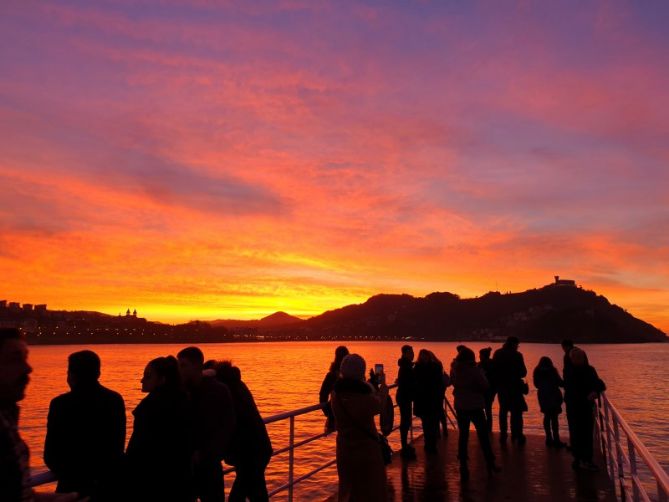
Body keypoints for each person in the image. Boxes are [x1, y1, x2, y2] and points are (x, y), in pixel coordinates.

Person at [0, 328, 82, 502]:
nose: (28, 368)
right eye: (15, 359)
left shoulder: (7, 418)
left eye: (26, 358)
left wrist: (59, 498)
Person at [44, 350, 126, 500]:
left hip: (71, 487)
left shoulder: (60, 404)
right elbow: (117, 448)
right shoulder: (114, 400)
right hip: (108, 487)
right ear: (98, 373)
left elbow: (51, 454)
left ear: (72, 375)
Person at [125, 356, 193, 502]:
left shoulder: (150, 408)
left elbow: (138, 448)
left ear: (162, 380)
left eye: (148, 376)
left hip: (153, 481)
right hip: (180, 479)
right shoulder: (184, 400)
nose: (142, 380)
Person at [177, 347, 236, 502]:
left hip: (208, 464)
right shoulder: (183, 392)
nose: (179, 370)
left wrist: (207, 453)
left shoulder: (217, 391)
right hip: (188, 465)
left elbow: (226, 426)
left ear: (197, 366)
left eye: (183, 365)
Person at [331, 354, 388, 502]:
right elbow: (379, 406)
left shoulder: (336, 394)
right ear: (360, 372)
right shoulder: (364, 397)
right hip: (366, 449)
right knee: (369, 489)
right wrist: (383, 388)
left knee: (347, 487)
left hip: (344, 447)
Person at [213, 361, 272, 502]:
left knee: (239, 495)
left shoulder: (228, 392)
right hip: (258, 449)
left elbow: (230, 422)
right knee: (257, 491)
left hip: (249, 453)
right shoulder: (238, 386)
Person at [450, 346, 499, 482]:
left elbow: (453, 383)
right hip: (475, 406)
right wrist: (481, 374)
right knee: (483, 436)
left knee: (463, 435)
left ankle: (463, 463)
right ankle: (490, 462)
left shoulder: (455, 369)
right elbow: (485, 386)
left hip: (460, 406)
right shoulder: (475, 370)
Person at [563, 348, 606, 471]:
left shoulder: (589, 370)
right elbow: (571, 389)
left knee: (586, 433)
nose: (578, 360)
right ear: (571, 359)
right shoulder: (569, 371)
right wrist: (587, 395)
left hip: (585, 406)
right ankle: (580, 459)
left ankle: (584, 459)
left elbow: (601, 385)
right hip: (575, 406)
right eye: (575, 357)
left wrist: (594, 392)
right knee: (577, 433)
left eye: (580, 357)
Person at [492, 336, 528, 444]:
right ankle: (517, 434)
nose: (518, 347)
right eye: (517, 345)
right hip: (515, 387)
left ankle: (503, 434)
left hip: (502, 387)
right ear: (513, 344)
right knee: (516, 412)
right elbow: (523, 372)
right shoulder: (517, 355)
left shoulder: (497, 353)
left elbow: (494, 370)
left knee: (503, 411)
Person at [413, 349, 445, 454]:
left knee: (431, 423)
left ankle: (431, 444)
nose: (423, 358)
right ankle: (429, 444)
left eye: (425, 355)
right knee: (428, 423)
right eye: (422, 356)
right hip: (426, 400)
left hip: (429, 399)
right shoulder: (434, 367)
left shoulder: (418, 368)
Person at [532, 356, 566, 447]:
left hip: (543, 396)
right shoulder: (552, 370)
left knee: (546, 416)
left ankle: (548, 438)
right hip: (553, 395)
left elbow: (536, 384)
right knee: (554, 418)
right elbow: (560, 382)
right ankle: (556, 439)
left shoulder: (537, 370)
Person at [319, 346, 349, 434]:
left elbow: (322, 395)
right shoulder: (353, 375)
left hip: (336, 413)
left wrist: (328, 413)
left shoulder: (331, 375)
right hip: (351, 414)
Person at [395, 345, 416, 459]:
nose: (412, 354)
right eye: (410, 352)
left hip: (404, 396)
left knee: (406, 420)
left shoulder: (406, 365)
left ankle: (404, 445)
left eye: (412, 352)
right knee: (405, 421)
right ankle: (404, 446)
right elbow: (409, 381)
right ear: (404, 354)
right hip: (404, 397)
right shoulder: (406, 367)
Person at [478, 347, 496, 433]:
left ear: (483, 355)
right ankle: (489, 429)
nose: (479, 356)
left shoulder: (480, 365)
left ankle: (483, 428)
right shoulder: (493, 363)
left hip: (482, 390)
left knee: (481, 410)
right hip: (491, 390)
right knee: (488, 410)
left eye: (480, 355)